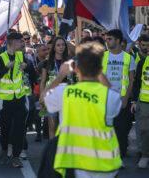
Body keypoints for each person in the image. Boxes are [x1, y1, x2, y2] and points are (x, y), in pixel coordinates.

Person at [42, 42, 122, 177]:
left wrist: (60, 75)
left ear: (77, 69)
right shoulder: (109, 95)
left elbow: (44, 97)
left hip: (74, 164)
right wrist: (101, 74)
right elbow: (115, 92)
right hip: (105, 166)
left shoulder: (64, 92)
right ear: (100, 69)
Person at [0, 32, 36, 168]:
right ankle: (4, 151)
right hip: (5, 100)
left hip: (20, 99)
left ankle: (16, 156)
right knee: (5, 129)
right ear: (12, 43)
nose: (22, 44)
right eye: (20, 41)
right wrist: (6, 68)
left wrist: (26, 67)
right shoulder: (1, 58)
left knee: (19, 129)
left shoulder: (22, 56)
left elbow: (33, 74)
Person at [103, 29, 135, 160]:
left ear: (118, 41)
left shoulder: (128, 58)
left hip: (122, 100)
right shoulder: (103, 56)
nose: (107, 42)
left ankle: (119, 157)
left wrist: (126, 97)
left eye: (109, 39)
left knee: (121, 130)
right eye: (106, 39)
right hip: (106, 99)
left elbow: (131, 79)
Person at [40, 36, 69, 139]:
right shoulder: (46, 63)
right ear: (54, 48)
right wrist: (41, 98)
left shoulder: (69, 62)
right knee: (52, 126)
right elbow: (43, 82)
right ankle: (52, 151)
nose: (61, 47)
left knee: (64, 127)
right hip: (51, 97)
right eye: (58, 45)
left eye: (63, 45)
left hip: (66, 98)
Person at [131, 51, 149, 168]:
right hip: (144, 102)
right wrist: (133, 101)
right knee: (145, 130)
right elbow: (137, 82)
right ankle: (145, 156)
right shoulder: (143, 62)